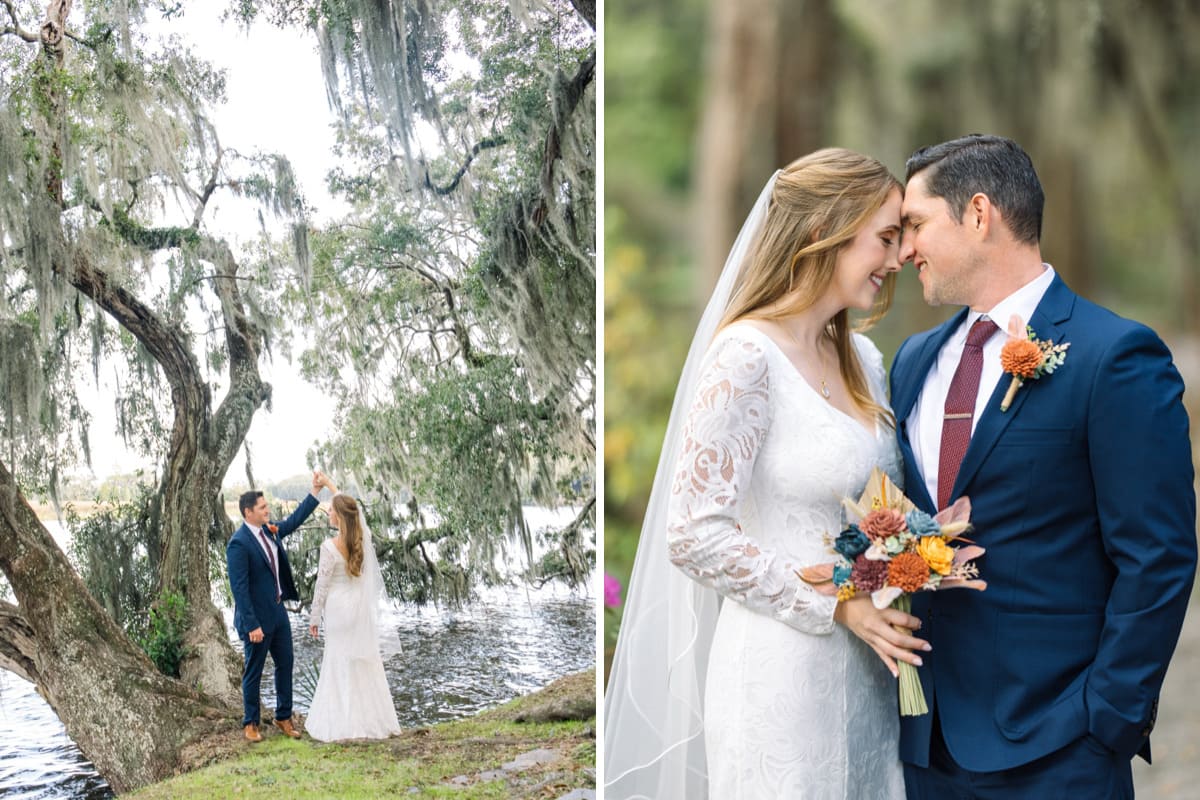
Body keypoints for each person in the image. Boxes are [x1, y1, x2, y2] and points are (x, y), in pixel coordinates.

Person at [605, 148, 926, 798]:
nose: (897, 259)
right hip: (781, 679)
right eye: (885, 238)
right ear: (823, 231)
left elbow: (875, 503)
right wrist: (839, 603)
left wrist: (917, 554)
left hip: (866, 676)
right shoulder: (745, 358)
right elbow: (693, 534)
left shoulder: (865, 358)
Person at [891, 133, 1197, 799]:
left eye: (915, 224)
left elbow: (1159, 554)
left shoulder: (1111, 357)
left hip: (1058, 751)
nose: (904, 248)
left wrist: (1107, 721)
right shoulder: (913, 361)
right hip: (923, 747)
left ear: (978, 214)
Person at [226, 474, 323, 742]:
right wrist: (252, 624)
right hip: (256, 620)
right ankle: (251, 724)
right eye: (262, 508)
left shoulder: (271, 530)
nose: (268, 510)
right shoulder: (238, 543)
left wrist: (314, 493)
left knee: (285, 664)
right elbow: (240, 589)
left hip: (279, 614)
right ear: (248, 512)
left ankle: (283, 717)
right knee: (254, 671)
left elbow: (293, 521)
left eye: (267, 506)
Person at [305, 475, 401, 741]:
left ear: (338, 517)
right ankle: (372, 721)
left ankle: (342, 723)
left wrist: (314, 617)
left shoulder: (329, 546)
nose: (328, 514)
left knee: (337, 661)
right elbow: (352, 507)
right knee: (362, 662)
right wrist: (332, 487)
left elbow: (321, 586)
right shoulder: (361, 538)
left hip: (337, 610)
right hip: (357, 610)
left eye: (331, 511)